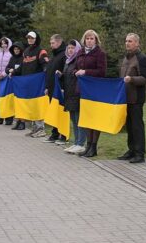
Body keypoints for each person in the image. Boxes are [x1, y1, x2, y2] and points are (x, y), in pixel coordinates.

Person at [118, 33, 146, 163]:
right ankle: (131, 150)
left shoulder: (142, 58)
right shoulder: (126, 58)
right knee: (130, 126)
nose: (127, 43)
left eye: (130, 41)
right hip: (125, 98)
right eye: (126, 41)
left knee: (137, 126)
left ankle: (139, 154)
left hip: (136, 98)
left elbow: (145, 78)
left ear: (137, 43)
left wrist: (131, 79)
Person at [75, 29, 107, 157]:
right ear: (84, 40)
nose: (89, 41)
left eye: (91, 38)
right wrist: (76, 72)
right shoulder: (80, 52)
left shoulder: (100, 53)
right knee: (86, 118)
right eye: (87, 38)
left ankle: (94, 147)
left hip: (95, 89)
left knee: (95, 119)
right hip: (83, 89)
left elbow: (102, 72)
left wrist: (85, 72)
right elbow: (76, 68)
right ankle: (88, 146)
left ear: (96, 40)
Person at [17, 31, 49, 133]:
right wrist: (13, 72)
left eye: (32, 38)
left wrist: (46, 70)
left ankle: (40, 128)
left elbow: (45, 64)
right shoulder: (25, 51)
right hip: (28, 82)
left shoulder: (41, 51)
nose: (30, 40)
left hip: (37, 83)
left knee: (38, 105)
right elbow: (22, 66)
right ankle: (35, 128)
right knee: (31, 105)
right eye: (28, 38)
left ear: (36, 39)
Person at [61, 39, 86, 153]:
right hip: (69, 94)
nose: (70, 50)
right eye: (69, 48)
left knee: (79, 119)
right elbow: (67, 76)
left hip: (77, 94)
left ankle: (81, 143)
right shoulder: (68, 61)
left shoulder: (78, 60)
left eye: (72, 48)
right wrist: (61, 75)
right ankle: (76, 142)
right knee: (74, 120)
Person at [43, 34, 68, 143]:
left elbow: (64, 72)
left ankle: (63, 135)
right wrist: (47, 87)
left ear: (59, 42)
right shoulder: (54, 56)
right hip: (52, 89)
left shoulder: (64, 55)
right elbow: (50, 72)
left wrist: (62, 87)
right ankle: (55, 133)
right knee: (54, 112)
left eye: (52, 43)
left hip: (60, 89)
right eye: (51, 43)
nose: (51, 45)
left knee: (61, 112)